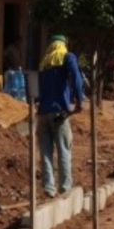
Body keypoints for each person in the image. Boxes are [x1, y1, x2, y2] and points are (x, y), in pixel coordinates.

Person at [35, 35, 84, 198]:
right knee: (63, 149)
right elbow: (76, 77)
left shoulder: (44, 62)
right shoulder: (67, 57)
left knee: (46, 152)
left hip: (42, 114)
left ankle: (49, 187)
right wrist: (79, 100)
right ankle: (65, 186)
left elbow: (36, 90)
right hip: (60, 113)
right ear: (63, 45)